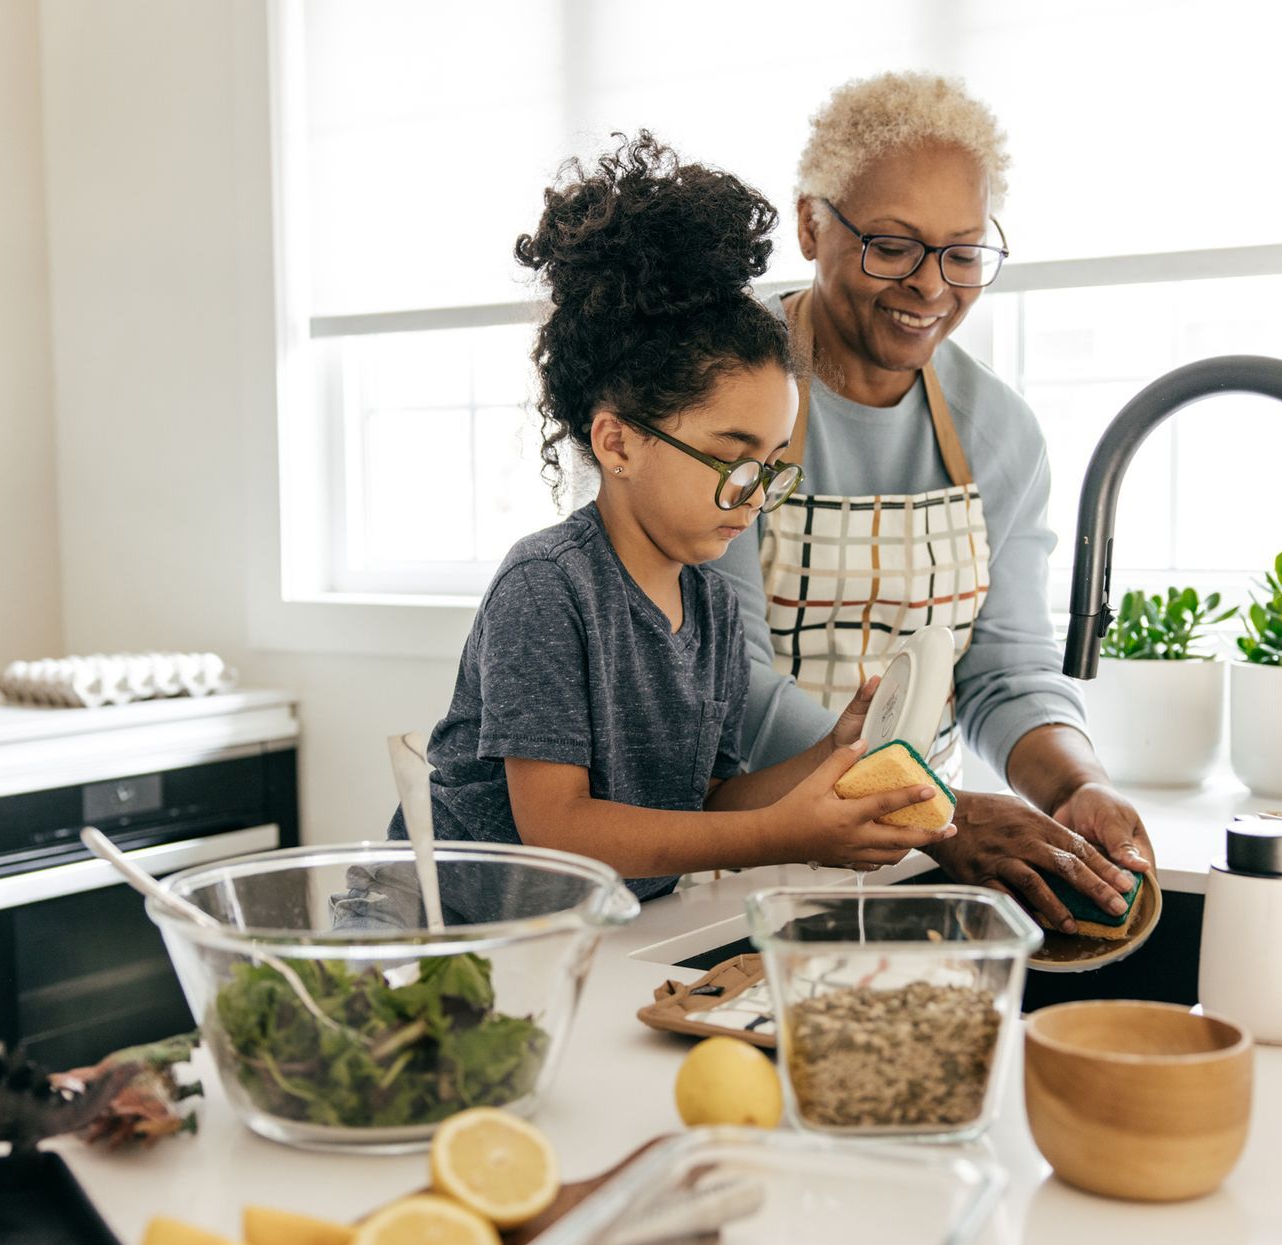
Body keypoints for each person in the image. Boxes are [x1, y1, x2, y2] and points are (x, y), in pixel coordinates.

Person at [380, 131, 953, 911]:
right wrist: (788, 834)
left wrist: (834, 751)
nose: (753, 495)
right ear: (617, 442)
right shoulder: (548, 588)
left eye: (772, 465)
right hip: (438, 925)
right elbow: (561, 832)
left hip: (582, 930)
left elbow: (707, 801)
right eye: (732, 459)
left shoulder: (711, 609)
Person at [706, 73, 1153, 934]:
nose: (931, 286)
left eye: (962, 251)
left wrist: (1077, 784)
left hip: (913, 859)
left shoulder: (999, 433)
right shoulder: (724, 394)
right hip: (728, 854)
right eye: (892, 246)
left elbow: (1005, 674)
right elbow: (731, 685)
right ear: (810, 224)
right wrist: (935, 808)